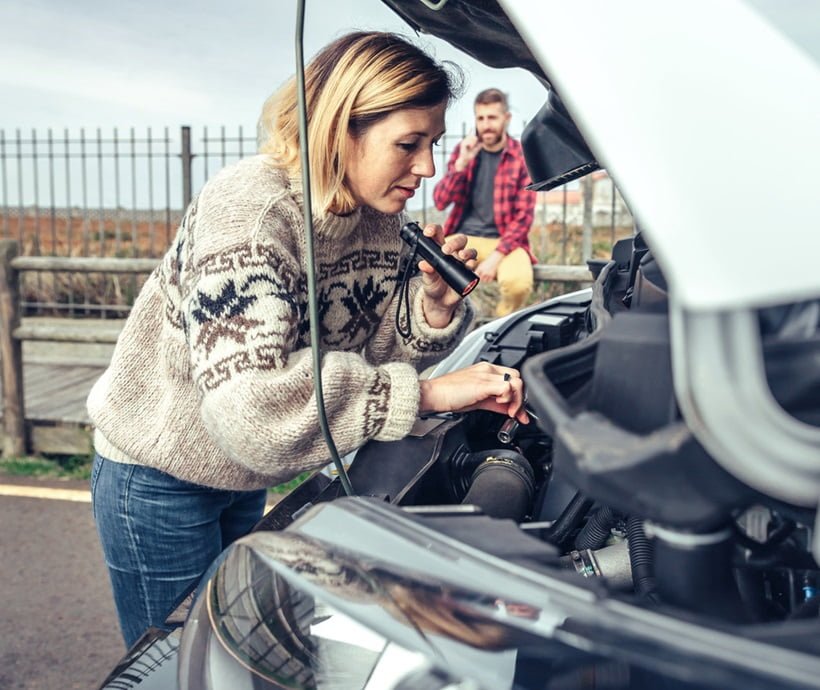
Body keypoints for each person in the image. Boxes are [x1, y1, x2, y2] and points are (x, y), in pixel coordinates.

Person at [87, 31, 529, 649]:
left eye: (432, 144)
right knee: (186, 661)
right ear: (339, 126)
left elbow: (370, 354)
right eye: (408, 144)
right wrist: (429, 396)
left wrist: (428, 306)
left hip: (246, 472)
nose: (427, 168)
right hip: (161, 477)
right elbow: (254, 412)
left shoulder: (379, 218)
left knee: (245, 647)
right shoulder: (251, 213)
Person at [433, 88, 537, 318]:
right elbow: (440, 201)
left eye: (492, 117)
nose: (486, 124)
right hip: (465, 238)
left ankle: (498, 325)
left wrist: (495, 259)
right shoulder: (465, 151)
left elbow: (524, 217)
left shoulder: (521, 156)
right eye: (481, 118)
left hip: (507, 243)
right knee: (435, 270)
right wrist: (461, 165)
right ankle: (454, 325)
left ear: (506, 119)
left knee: (518, 283)